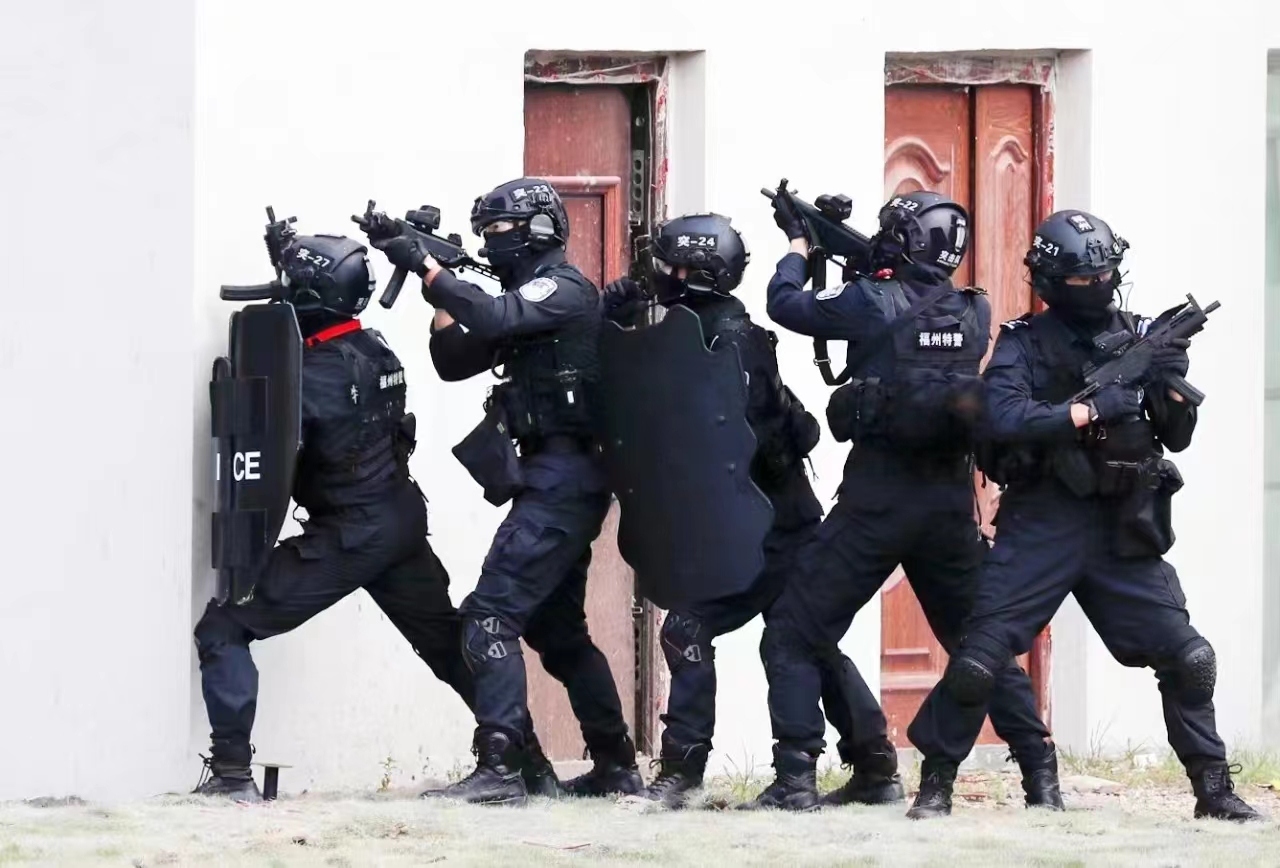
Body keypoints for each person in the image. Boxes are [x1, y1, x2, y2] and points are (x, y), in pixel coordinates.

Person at [903, 210, 1263, 822]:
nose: (1097, 286)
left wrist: (1169, 383)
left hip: (1122, 523)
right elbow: (1002, 416)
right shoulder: (1023, 341)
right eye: (1081, 279)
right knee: (978, 662)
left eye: (1104, 274)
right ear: (1049, 281)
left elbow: (1176, 437)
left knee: (1190, 657)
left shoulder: (1140, 335)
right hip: (1042, 520)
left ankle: (1214, 790)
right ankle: (935, 784)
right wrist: (1086, 411)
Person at [751, 191, 1059, 811]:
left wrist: (799, 245)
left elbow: (783, 303)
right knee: (979, 646)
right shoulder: (974, 309)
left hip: (877, 502)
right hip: (949, 506)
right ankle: (1041, 776)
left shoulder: (868, 300)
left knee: (791, 631)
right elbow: (915, 316)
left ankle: (795, 779)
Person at [193, 230, 499, 799]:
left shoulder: (306, 378)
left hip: (349, 534)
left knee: (224, 627)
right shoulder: (376, 349)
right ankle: (521, 760)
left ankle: (231, 777)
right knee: (447, 645)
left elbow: (274, 441)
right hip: (400, 520)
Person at [370, 178, 642, 805]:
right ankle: (616, 765)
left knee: (488, 617)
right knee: (557, 633)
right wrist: (431, 281)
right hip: (552, 478)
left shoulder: (561, 289)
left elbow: (492, 315)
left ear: (538, 230)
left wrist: (431, 267)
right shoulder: (525, 302)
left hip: (564, 479)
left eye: (498, 231)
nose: (491, 243)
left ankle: (500, 769)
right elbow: (454, 359)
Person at [602, 213, 872, 810]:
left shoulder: (730, 340)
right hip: (748, 523)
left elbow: (754, 438)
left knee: (702, 630)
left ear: (692, 272)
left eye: (670, 265)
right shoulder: (692, 331)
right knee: (806, 642)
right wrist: (610, 322)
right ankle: (872, 760)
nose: (660, 274)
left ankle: (686, 772)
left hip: (767, 524)